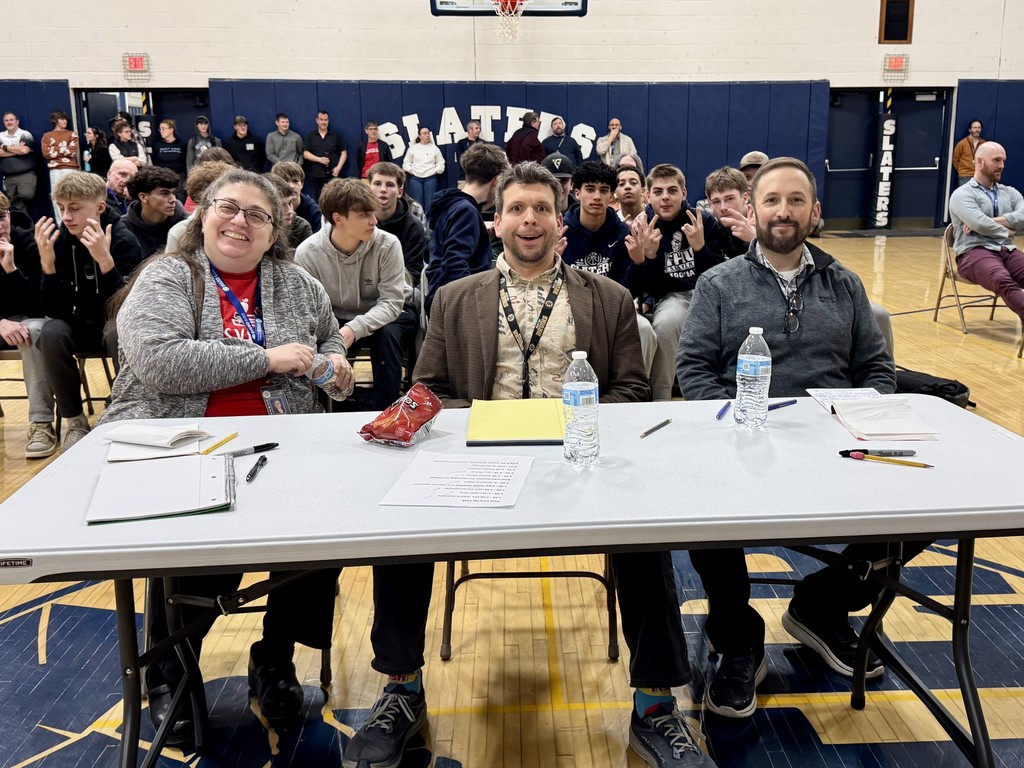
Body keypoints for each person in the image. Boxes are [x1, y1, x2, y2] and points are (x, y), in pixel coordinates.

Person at [343, 161, 716, 768]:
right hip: (480, 459)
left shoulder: (611, 298)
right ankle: (401, 690)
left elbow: (628, 387)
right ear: (497, 222)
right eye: (517, 208)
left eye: (541, 208)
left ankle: (654, 704)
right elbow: (431, 384)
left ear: (559, 217)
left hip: (577, 457)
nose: (529, 220)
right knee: (401, 528)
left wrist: (572, 425)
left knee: (646, 533)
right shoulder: (453, 299)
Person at [98, 168, 349, 746]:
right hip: (177, 442)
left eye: (257, 215)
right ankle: (168, 673)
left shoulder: (299, 285)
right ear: (203, 215)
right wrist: (268, 359)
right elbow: (160, 361)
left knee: (322, 542)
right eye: (228, 208)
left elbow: (330, 345)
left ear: (275, 230)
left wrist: (334, 366)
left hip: (284, 445)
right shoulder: (168, 276)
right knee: (199, 559)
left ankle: (274, 659)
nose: (240, 221)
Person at [677, 157, 922, 720]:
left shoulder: (846, 283)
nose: (782, 211)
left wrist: (855, 415)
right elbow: (693, 370)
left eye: (795, 201)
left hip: (835, 438)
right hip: (746, 437)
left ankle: (821, 605)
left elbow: (877, 369)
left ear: (814, 212)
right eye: (771, 200)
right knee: (702, 503)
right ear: (751, 209)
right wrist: (740, 418)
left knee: (923, 507)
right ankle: (738, 637)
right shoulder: (718, 284)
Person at [33, 171, 143, 450]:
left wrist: (106, 264)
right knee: (51, 331)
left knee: (117, 330)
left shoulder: (123, 240)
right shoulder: (59, 241)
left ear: (100, 207)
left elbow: (128, 308)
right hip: (78, 323)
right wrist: (47, 266)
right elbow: (54, 310)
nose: (66, 217)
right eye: (61, 209)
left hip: (114, 323)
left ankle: (124, 411)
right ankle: (75, 421)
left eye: (74, 208)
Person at [295, 179, 414, 412]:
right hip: (333, 318)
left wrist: (352, 329)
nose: (374, 221)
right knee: (312, 340)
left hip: (388, 314)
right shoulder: (307, 254)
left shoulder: (387, 244)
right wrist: (333, 338)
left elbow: (391, 302)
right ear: (338, 218)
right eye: (364, 215)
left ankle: (386, 414)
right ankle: (331, 410)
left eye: (373, 213)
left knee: (389, 335)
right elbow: (310, 313)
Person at [629, 163, 725, 400]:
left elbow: (718, 278)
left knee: (669, 321)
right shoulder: (642, 226)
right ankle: (652, 397)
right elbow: (650, 289)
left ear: (684, 194)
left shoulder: (704, 222)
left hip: (703, 292)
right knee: (663, 322)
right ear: (647, 196)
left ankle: (668, 398)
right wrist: (649, 257)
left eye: (672, 191)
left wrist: (701, 249)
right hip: (669, 296)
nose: (665, 198)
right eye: (658, 192)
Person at [562, 159, 656, 374]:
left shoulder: (622, 233)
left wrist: (638, 262)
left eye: (604, 190)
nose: (597, 196)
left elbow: (628, 291)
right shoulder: (562, 233)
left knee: (644, 330)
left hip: (613, 312)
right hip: (570, 312)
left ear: (611, 196)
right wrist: (552, 261)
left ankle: (638, 391)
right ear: (577, 193)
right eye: (590, 189)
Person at [0, 192, 57, 458]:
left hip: (28, 318)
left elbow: (42, 305)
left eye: (2, 217)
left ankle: (41, 422)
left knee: (31, 331)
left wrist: (11, 270)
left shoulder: (29, 242)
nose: (0, 225)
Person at [424, 142, 508, 313]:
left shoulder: (452, 204)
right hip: (454, 306)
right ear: (496, 181)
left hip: (441, 298)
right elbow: (454, 262)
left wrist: (483, 235)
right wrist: (473, 306)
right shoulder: (466, 211)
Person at [948, 141, 1024, 326]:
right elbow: (979, 224)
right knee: (1001, 279)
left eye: (1003, 161)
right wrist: (1007, 229)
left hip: (1006, 250)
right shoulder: (961, 194)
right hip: (973, 253)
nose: (1002, 166)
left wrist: (992, 221)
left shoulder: (1010, 193)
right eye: (997, 160)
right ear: (980, 162)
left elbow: (1022, 216)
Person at [369, 161, 427, 287]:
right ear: (369, 188)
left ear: (400, 192)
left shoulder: (413, 227)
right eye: (377, 184)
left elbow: (413, 274)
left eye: (390, 185)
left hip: (399, 292)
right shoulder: (358, 220)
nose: (383, 189)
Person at [123, 165, 188, 258]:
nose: (173, 199)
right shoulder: (123, 228)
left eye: (173, 193)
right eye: (165, 193)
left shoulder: (187, 226)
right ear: (143, 197)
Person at [41, 110, 80, 223]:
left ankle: (75, 222)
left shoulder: (71, 134)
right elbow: (46, 153)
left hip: (70, 167)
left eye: (65, 119)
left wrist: (55, 149)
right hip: (55, 169)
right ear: (55, 120)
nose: (65, 121)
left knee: (73, 194)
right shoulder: (47, 135)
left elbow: (72, 151)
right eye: (62, 119)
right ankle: (61, 225)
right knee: (56, 196)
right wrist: (63, 149)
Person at [303, 110, 347, 199]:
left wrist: (339, 167)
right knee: (320, 199)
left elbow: (344, 152)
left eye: (326, 120)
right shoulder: (310, 136)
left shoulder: (335, 136)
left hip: (334, 173)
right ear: (317, 120)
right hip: (317, 174)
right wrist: (319, 159)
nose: (324, 122)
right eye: (321, 119)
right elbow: (305, 154)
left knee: (336, 198)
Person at [1, 111, 38, 214]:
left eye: (11, 120)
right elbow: (20, 151)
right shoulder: (0, 136)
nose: (9, 122)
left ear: (17, 121)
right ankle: (23, 225)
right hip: (8, 177)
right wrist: (17, 150)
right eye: (6, 120)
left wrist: (5, 147)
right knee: (11, 202)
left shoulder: (25, 134)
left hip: (26, 174)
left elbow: (24, 150)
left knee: (27, 195)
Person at [271, 161, 323, 232]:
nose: (291, 186)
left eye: (295, 181)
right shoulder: (268, 208)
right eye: (285, 181)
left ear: (302, 184)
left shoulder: (314, 213)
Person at [402, 127, 445, 215]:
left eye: (428, 133)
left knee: (430, 203)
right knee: (417, 203)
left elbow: (441, 164)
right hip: (415, 179)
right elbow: (405, 164)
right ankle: (419, 224)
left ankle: (429, 225)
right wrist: (412, 170)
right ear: (419, 136)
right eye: (424, 133)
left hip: (430, 179)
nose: (427, 135)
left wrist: (434, 171)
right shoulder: (413, 148)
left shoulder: (434, 148)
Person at [151, 119, 188, 198]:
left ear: (171, 130)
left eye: (163, 129)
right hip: (163, 177)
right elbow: (155, 161)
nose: (161, 131)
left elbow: (185, 161)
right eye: (160, 129)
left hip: (179, 176)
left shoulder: (181, 144)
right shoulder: (158, 145)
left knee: (180, 197)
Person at [952, 119, 985, 186]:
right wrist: (962, 170)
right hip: (965, 175)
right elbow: (955, 159)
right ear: (969, 130)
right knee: (965, 196)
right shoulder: (962, 144)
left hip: (980, 176)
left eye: (979, 128)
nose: (977, 130)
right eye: (975, 127)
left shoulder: (984, 144)